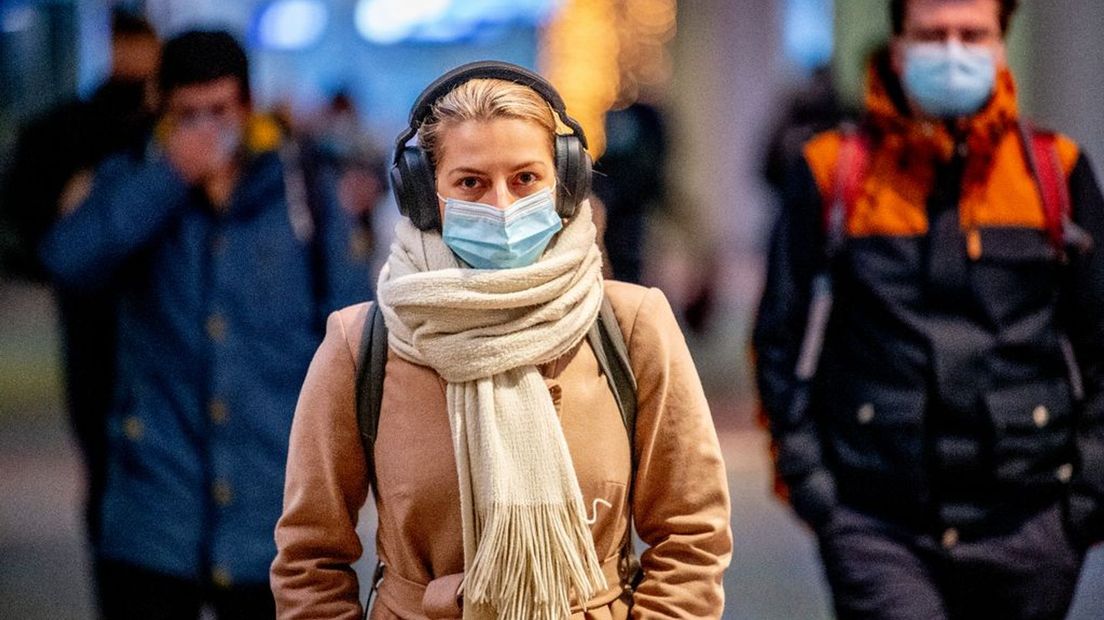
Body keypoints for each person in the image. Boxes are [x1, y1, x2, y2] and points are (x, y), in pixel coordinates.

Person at [271, 61, 732, 619]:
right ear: (423, 195)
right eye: (470, 182)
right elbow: (308, 561)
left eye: (525, 179)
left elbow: (692, 538)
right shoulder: (362, 343)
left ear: (564, 183)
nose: (502, 206)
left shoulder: (632, 325)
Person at [753, 0, 1104, 618]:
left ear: (1000, 45)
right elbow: (777, 335)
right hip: (876, 525)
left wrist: (1089, 496)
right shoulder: (834, 169)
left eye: (972, 35)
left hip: (1032, 525)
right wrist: (813, 487)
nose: (952, 51)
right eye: (932, 34)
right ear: (897, 46)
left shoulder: (1056, 169)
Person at [38, 30, 373, 619]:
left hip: (270, 513)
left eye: (219, 111)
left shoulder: (301, 189)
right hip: (153, 512)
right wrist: (169, 178)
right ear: (162, 111)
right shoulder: (132, 179)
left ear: (246, 106)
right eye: (187, 115)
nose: (205, 130)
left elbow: (350, 329)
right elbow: (69, 261)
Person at [0, 9, 159, 566]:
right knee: (102, 443)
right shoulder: (77, 132)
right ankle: (117, 561)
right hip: (98, 313)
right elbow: (36, 235)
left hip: (130, 313)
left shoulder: (163, 133)